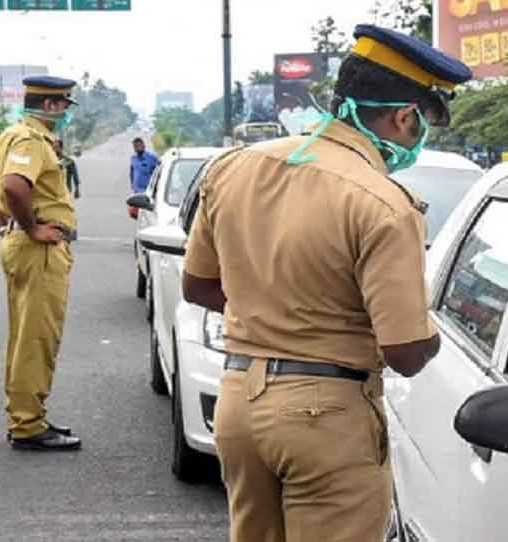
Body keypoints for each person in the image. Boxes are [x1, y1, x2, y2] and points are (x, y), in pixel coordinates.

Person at [182, 24, 471, 542]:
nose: (417, 139)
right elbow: (404, 350)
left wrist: (273, 310)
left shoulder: (233, 169)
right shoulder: (384, 203)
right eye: (420, 125)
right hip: (325, 418)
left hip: (239, 407)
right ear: (404, 116)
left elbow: (199, 286)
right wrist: (431, 331)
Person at [0, 76, 82, 451]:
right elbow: (14, 186)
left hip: (23, 245)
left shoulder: (14, 134)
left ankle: (26, 415)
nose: (65, 111)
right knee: (37, 337)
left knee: (23, 336)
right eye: (63, 104)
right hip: (40, 250)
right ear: (49, 106)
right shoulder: (31, 141)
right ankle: (28, 426)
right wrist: (32, 228)